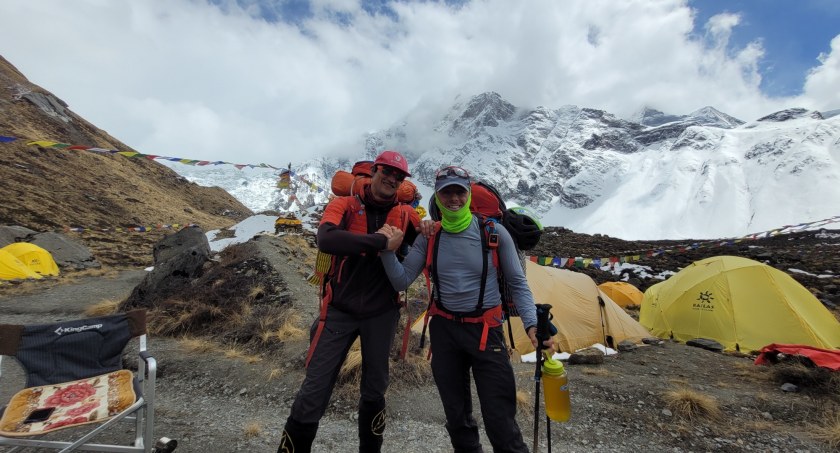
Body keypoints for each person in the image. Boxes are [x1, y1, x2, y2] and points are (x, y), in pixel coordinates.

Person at [377, 166, 553, 453]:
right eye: (447, 192)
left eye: (460, 191)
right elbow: (401, 279)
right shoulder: (428, 236)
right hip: (445, 333)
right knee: (457, 419)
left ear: (469, 194)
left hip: (486, 332)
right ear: (438, 196)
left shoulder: (493, 233)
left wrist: (532, 325)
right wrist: (386, 249)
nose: (454, 199)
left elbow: (518, 284)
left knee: (500, 420)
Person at [278, 151, 420, 453]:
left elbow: (426, 239)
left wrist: (430, 228)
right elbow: (327, 239)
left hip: (382, 313)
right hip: (339, 310)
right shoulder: (344, 204)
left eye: (399, 176)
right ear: (375, 171)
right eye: (387, 172)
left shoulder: (406, 215)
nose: (392, 179)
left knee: (375, 389)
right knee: (315, 388)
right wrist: (380, 242)